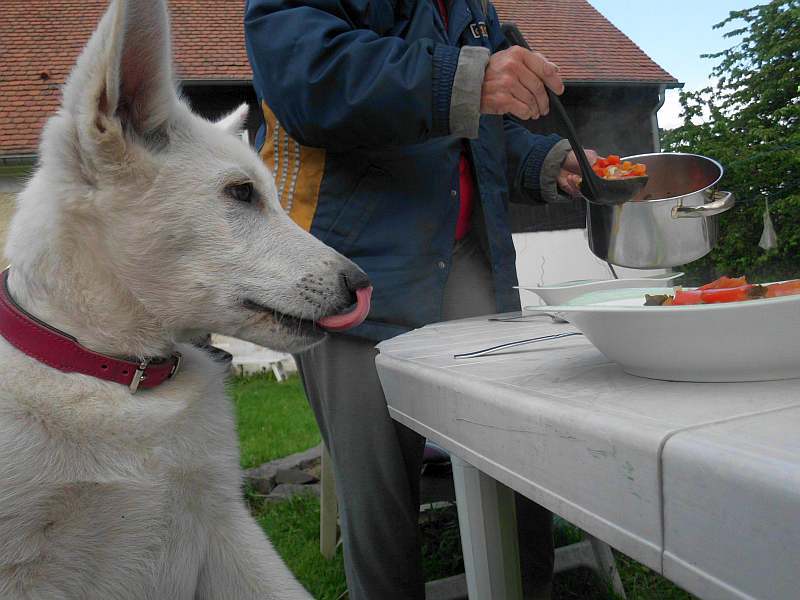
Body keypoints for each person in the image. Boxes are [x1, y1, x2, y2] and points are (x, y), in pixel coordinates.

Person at [245, 0, 595, 597]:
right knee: (381, 506)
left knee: (516, 470)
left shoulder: (470, 8)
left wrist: (548, 159)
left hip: (465, 263)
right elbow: (307, 77)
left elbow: (479, 136)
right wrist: (465, 77)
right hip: (355, 270)